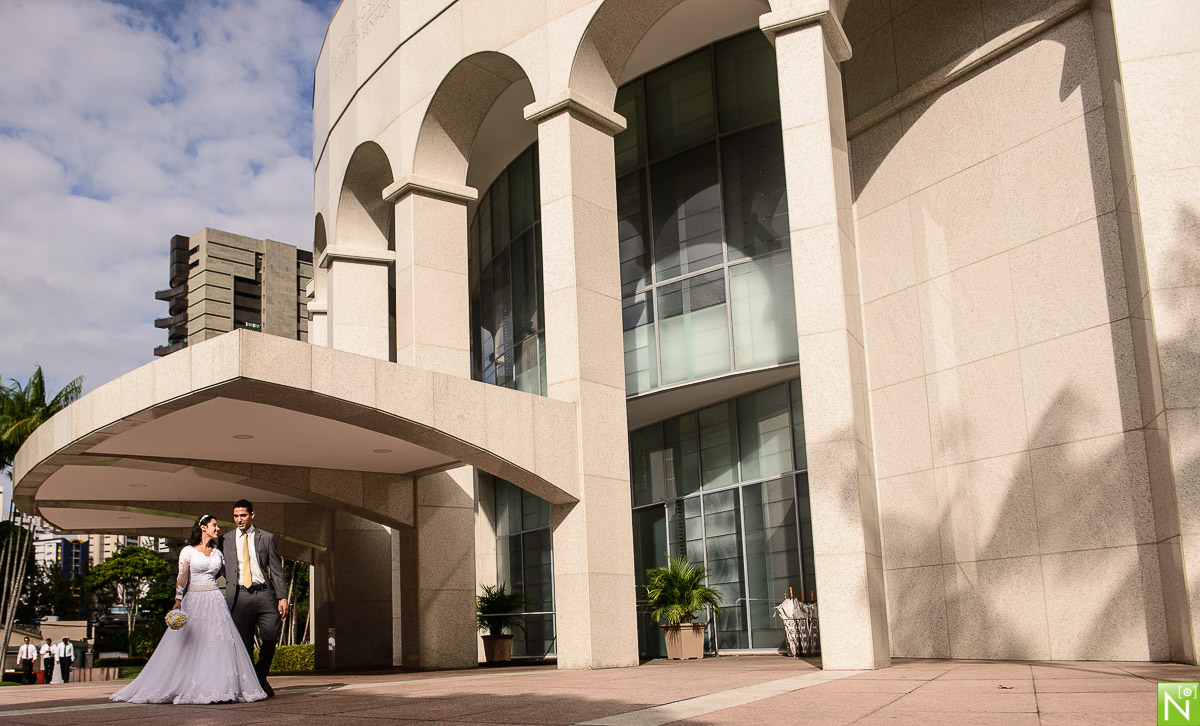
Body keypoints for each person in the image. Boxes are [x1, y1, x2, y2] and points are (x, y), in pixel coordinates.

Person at [110, 514, 266, 704]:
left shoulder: (218, 553)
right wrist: (178, 600)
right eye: (214, 526)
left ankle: (218, 687)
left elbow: (229, 575)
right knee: (190, 643)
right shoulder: (188, 551)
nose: (217, 529)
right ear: (203, 527)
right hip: (194, 599)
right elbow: (182, 576)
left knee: (217, 642)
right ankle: (185, 685)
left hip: (216, 600)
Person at [222, 499, 287, 698]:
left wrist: (282, 597)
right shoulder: (225, 539)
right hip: (239, 596)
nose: (239, 520)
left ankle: (259, 675)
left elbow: (276, 570)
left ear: (252, 515)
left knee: (270, 636)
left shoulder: (266, 538)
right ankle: (255, 683)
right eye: (236, 516)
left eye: (243, 515)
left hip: (264, 594)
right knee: (244, 643)